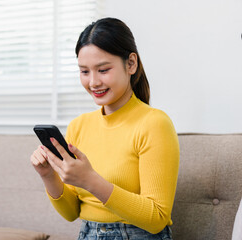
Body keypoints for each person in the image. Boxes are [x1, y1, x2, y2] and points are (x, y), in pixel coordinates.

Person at [30, 17, 179, 240]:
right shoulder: (79, 126)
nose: (93, 83)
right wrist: (48, 176)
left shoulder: (154, 124)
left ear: (131, 64)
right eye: (84, 72)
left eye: (103, 70)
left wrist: (90, 180)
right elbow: (72, 213)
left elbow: (156, 218)